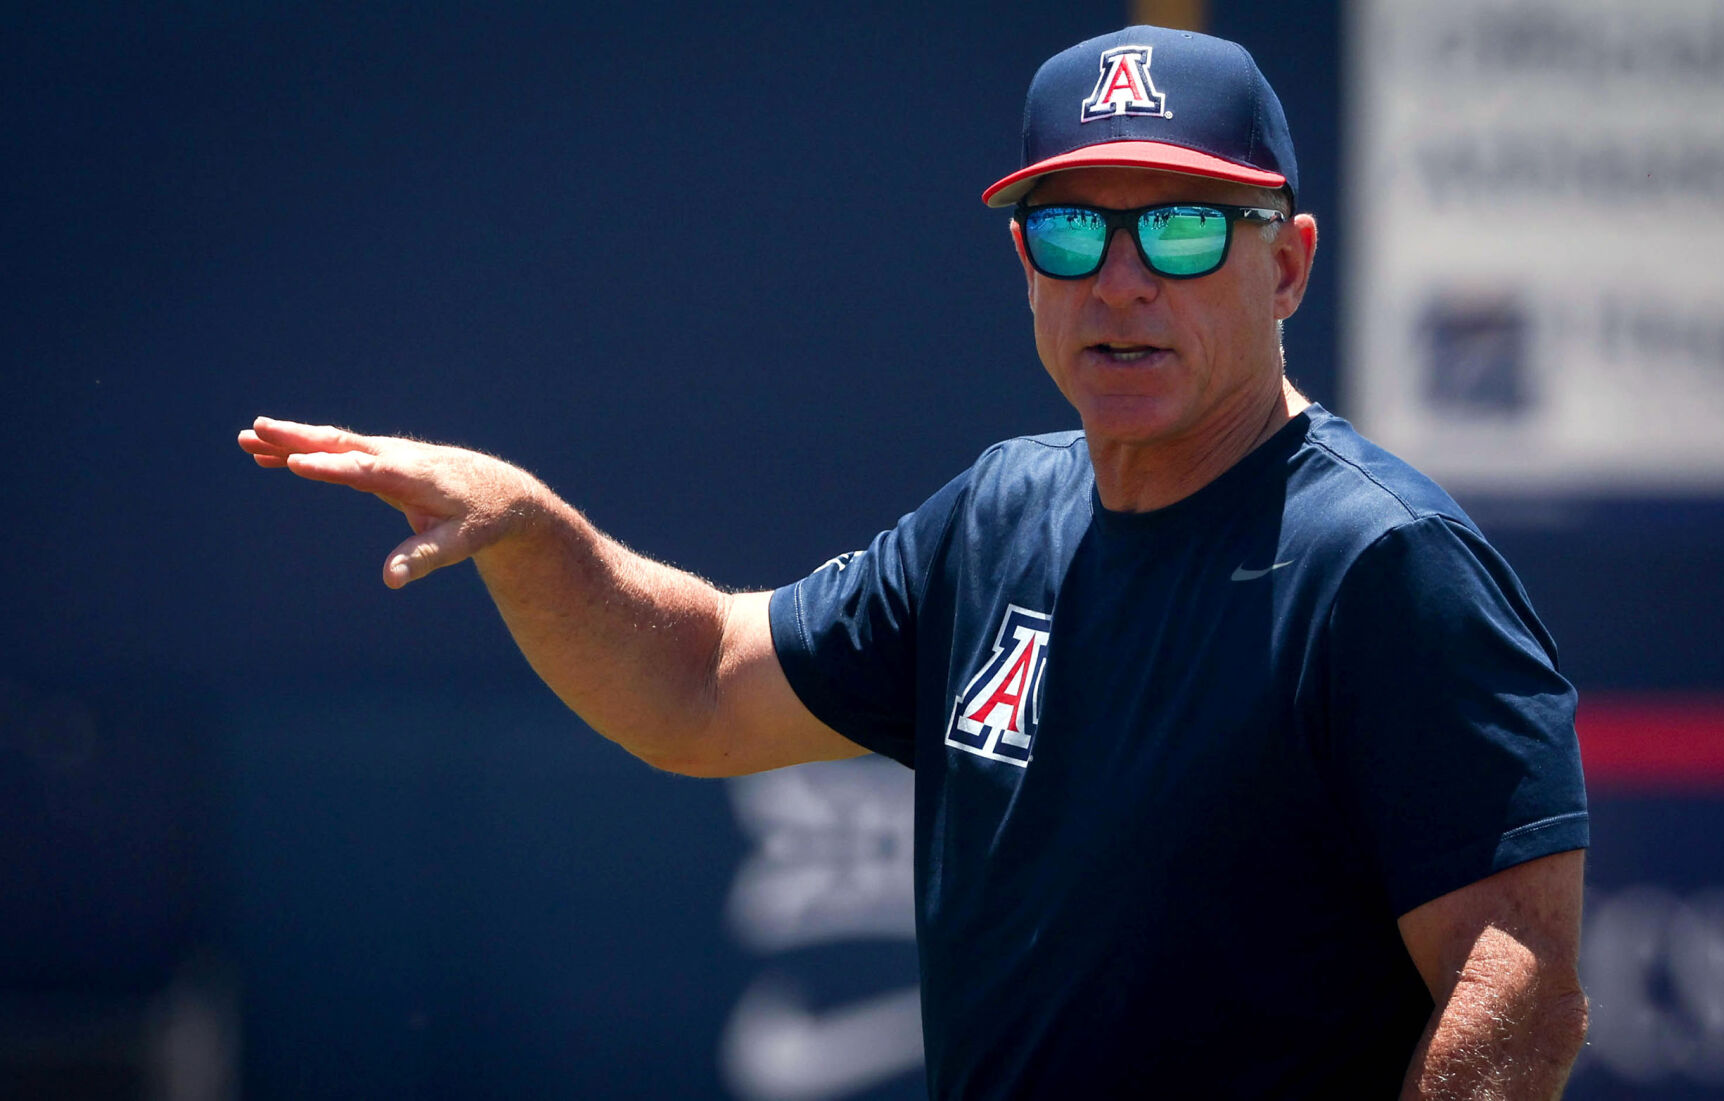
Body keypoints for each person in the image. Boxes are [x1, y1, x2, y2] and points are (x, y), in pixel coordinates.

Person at [239, 25, 1588, 1100]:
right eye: (1073, 230)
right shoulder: (996, 515)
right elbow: (699, 680)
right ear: (1024, 263)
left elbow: (1518, 977)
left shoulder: (1384, 562)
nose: (1121, 280)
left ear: (1286, 265)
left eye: (1181, 227)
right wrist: (534, 529)